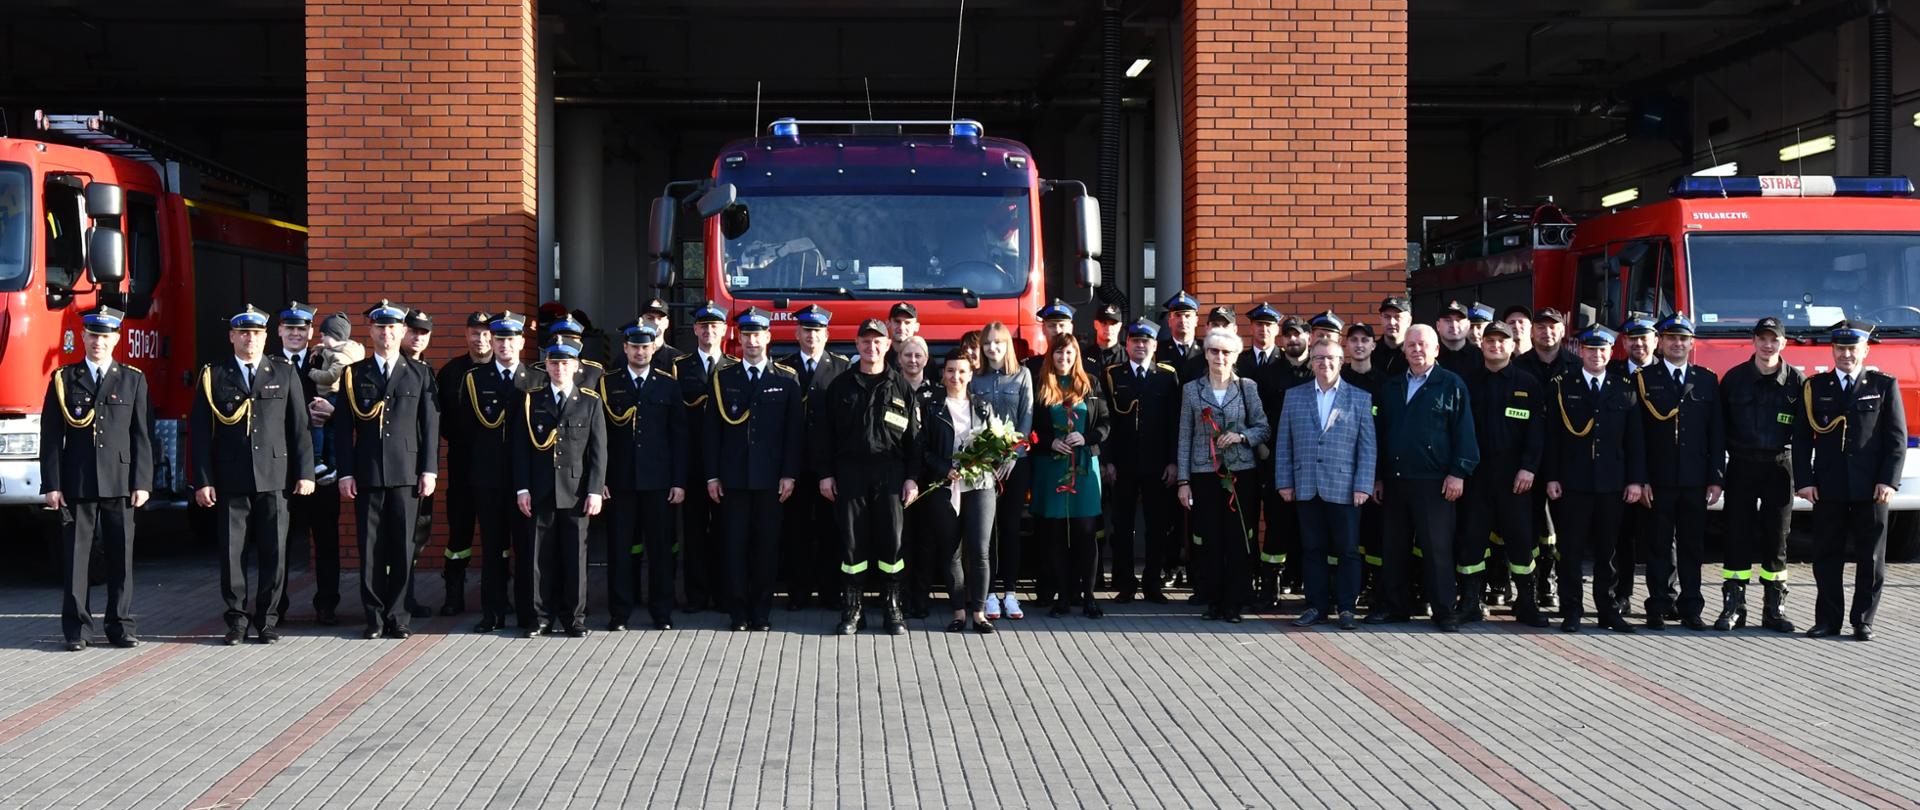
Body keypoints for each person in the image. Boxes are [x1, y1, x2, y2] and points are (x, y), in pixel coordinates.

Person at [192, 305, 316, 645]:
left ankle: (267, 620)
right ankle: (236, 620)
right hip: (230, 480)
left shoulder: (283, 371)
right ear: (232, 337)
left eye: (256, 333)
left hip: (275, 478)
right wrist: (203, 479)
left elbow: (299, 428)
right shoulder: (213, 374)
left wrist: (305, 472)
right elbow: (202, 433)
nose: (250, 339)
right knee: (232, 555)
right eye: (243, 333)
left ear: (265, 337)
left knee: (274, 553)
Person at [41, 306, 151, 651]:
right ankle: (77, 630)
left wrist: (142, 482)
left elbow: (142, 436)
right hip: (78, 481)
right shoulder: (63, 379)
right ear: (83, 338)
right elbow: (51, 437)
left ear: (116, 339)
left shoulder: (132, 379)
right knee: (76, 559)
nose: (98, 342)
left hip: (120, 481)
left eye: (105, 336)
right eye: (93, 336)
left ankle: (120, 627)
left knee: (121, 557)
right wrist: (52, 484)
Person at [336, 299, 440, 640]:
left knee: (402, 546)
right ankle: (375, 616)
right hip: (367, 474)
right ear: (371, 332)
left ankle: (399, 615)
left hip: (407, 473)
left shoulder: (420, 373)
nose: (387, 333)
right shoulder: (354, 374)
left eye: (393, 328)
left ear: (403, 332)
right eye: (380, 328)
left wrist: (429, 470)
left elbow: (430, 426)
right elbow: (342, 429)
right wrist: (346, 472)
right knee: (370, 549)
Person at [1796, 321, 1905, 642]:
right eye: (1840, 348)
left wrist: (1888, 481)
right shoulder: (1816, 386)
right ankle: (1828, 620)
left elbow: (1896, 440)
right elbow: (1801, 439)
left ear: (1864, 351)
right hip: (1828, 487)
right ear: (1832, 350)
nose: (1846, 354)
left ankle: (1862, 620)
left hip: (1871, 488)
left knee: (1870, 557)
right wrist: (1804, 480)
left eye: (1852, 349)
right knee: (1826, 555)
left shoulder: (1883, 385)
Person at [815, 318, 924, 636]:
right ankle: (853, 608)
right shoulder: (840, 386)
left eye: (878, 341)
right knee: (852, 545)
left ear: (888, 345)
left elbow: (915, 439)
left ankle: (893, 608)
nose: (871, 346)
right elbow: (825, 437)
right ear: (856, 344)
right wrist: (825, 475)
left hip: (891, 474)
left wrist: (912, 478)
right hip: (850, 474)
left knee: (892, 543)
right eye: (865, 340)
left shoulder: (901, 386)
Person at [1371, 324, 1478, 632]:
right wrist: (1378, 477)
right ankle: (1396, 607)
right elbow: (1380, 435)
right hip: (1395, 480)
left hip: (1435, 482)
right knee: (1394, 548)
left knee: (1437, 550)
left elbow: (1465, 433)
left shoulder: (1452, 384)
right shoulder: (1391, 387)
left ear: (1436, 350)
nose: (1417, 349)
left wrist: (1459, 472)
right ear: (1403, 350)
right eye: (1411, 345)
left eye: (1423, 345)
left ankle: (1444, 611)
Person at [704, 308, 804, 632]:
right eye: (746, 335)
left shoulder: (786, 379)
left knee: (766, 547)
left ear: (768, 338)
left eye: (757, 334)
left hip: (771, 481)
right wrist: (712, 475)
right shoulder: (723, 378)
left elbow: (794, 434)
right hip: (733, 479)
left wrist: (789, 474)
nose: (751, 341)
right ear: (740, 339)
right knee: (733, 547)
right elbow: (712, 430)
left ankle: (761, 611)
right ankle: (738, 612)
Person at [1543, 326, 1644, 633]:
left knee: (1608, 551)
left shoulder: (1624, 387)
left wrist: (1635, 481)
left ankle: (1608, 609)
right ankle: (1571, 610)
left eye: (1602, 350)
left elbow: (1634, 441)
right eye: (1590, 349)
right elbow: (1552, 438)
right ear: (1580, 351)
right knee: (1571, 551)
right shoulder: (1562, 386)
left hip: (1612, 484)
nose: (1596, 354)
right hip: (1574, 483)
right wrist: (1551, 477)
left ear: (1611, 352)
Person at [1273, 337, 1375, 630]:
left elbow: (1367, 447)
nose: (1325, 363)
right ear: (1311, 362)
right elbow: (1284, 444)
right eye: (1318, 358)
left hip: (1345, 488)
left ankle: (1346, 608)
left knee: (1348, 551)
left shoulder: (1359, 398)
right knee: (1312, 549)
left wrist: (1363, 485)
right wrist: (1285, 481)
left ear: (1341, 362)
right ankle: (1316, 606)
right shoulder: (1294, 396)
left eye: (1330, 358)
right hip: (1306, 485)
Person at [1632, 315, 1724, 631]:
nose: (1677, 343)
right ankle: (1657, 606)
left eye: (1683, 339)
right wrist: (1641, 477)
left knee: (1692, 547)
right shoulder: (1644, 378)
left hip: (1695, 479)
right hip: (1658, 480)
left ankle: (1691, 608)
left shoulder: (1707, 380)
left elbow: (1716, 434)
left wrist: (1716, 477)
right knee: (1658, 545)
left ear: (1691, 343)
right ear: (1661, 341)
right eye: (1671, 338)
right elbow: (1637, 435)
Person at [511, 337, 607, 637]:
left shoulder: (590, 401)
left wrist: (595, 490)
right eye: (554, 363)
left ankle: (574, 618)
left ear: (576, 367)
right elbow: (521, 449)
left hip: (576, 492)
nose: (559, 368)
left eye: (565, 363)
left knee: (575, 558)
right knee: (540, 558)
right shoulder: (531, 399)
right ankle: (541, 617)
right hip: (540, 491)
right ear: (547, 366)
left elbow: (598, 450)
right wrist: (522, 488)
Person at [1456, 322, 1550, 628]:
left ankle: (1527, 603)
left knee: (1521, 542)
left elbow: (1537, 432)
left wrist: (1529, 467)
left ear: (1512, 346)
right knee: (1472, 541)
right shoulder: (1467, 382)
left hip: (1516, 480)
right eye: (1490, 340)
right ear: (1481, 345)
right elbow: (1457, 430)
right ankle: (1471, 601)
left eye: (1502, 341)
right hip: (1476, 478)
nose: (1496, 345)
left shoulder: (1529, 383)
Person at [1715, 316, 1803, 632]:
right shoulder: (1734, 379)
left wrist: (1805, 479)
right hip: (1741, 465)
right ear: (1753, 342)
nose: (1768, 345)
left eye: (1774, 339)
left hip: (1780, 467)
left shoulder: (1797, 381)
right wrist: (1716, 473)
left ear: (1784, 342)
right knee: (1737, 535)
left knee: (1776, 538)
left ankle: (1774, 608)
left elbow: (1805, 436)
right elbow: (1718, 431)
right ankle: (1733, 606)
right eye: (1762, 339)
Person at [1175, 329, 1269, 623]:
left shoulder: (1247, 387)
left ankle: (1235, 602)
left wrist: (1241, 436)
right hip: (1204, 473)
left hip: (1241, 473)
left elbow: (1263, 428)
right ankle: (1213, 600)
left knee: (1238, 538)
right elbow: (1184, 437)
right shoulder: (1192, 389)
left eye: (1226, 352)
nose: (1219, 357)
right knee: (1210, 539)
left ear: (1235, 355)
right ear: (1205, 354)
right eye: (1214, 351)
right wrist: (1183, 481)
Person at [458, 312, 542, 633]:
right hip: (489, 479)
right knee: (492, 550)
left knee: (527, 550)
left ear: (521, 342)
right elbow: (466, 432)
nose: (505, 345)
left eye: (511, 339)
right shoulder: (475, 379)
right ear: (491, 342)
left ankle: (528, 615)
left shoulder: (536, 380)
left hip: (526, 482)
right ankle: (491, 613)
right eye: (499, 339)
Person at [600, 322, 686, 631]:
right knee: (620, 549)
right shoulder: (607, 384)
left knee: (660, 549)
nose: (639, 351)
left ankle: (661, 612)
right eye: (634, 346)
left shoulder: (668, 385)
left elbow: (678, 437)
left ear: (653, 349)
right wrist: (601, 480)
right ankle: (619, 613)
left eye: (645, 347)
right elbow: (601, 438)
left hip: (658, 482)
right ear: (625, 348)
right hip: (620, 482)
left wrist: (678, 481)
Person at [273, 302, 346, 626]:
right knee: (279, 543)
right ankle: (277, 607)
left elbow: (352, 403)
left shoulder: (326, 361)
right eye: (289, 328)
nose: (295, 333)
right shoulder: (270, 366)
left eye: (301, 329)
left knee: (327, 541)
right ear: (279, 332)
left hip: (322, 473)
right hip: (283, 469)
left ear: (310, 333)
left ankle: (327, 605)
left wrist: (335, 415)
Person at [1030, 333, 1111, 618]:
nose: (1063, 359)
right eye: (1058, 353)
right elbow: (1031, 428)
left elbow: (1105, 423)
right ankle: (1062, 596)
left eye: (1069, 353)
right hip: (1051, 469)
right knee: (1054, 535)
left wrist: (1087, 437)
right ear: (1050, 356)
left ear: (1076, 355)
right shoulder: (1040, 386)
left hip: (1084, 468)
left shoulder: (1090, 383)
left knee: (1086, 533)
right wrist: (1048, 440)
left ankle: (1087, 596)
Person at [1102, 319, 1181, 604]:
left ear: (1154, 345)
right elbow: (1106, 420)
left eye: (1145, 341)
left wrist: (1173, 462)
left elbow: (1175, 424)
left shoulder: (1166, 376)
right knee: (1122, 526)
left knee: (1156, 526)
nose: (1140, 345)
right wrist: (1107, 460)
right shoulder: (1112, 374)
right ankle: (1125, 583)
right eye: (1135, 340)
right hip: (1122, 465)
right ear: (1127, 344)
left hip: (1157, 465)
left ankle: (1152, 582)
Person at [922, 348, 1000, 633]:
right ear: (943, 375)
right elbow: (924, 450)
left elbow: (996, 445)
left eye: (962, 371)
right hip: (945, 486)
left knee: (979, 550)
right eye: (951, 371)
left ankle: (979, 612)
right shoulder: (931, 407)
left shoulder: (983, 407)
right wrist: (945, 469)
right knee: (951, 551)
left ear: (970, 375)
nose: (956, 376)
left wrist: (990, 457)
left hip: (979, 485)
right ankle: (958, 612)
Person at [780, 303, 850, 611]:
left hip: (828, 466)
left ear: (827, 334)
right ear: (797, 333)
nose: (812, 336)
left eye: (818, 331)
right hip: (793, 464)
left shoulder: (841, 368)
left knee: (829, 531)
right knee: (796, 532)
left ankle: (830, 593)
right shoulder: (782, 366)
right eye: (807, 330)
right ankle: (798, 594)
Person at [1513, 306, 1578, 610]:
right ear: (1531, 331)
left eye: (1553, 326)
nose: (1546, 331)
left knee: (1563, 531)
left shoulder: (1576, 366)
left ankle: (1555, 586)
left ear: (1562, 330)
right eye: (1540, 326)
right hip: (1526, 461)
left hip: (1565, 461)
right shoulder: (1518, 367)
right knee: (1527, 527)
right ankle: (1531, 588)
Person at [672, 301, 733, 613]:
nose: (709, 331)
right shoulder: (679, 368)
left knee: (725, 533)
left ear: (724, 330)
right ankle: (696, 596)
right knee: (693, 534)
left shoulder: (735, 368)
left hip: (726, 465)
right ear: (695, 329)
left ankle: (724, 595)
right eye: (703, 325)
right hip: (693, 465)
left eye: (715, 326)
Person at [433, 310, 495, 616]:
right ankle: (453, 593)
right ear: (466, 335)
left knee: (499, 534)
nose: (480, 339)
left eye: (486, 333)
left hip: (498, 469)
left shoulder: (504, 370)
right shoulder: (451, 372)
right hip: (462, 466)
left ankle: (500, 596)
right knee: (459, 533)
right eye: (475, 333)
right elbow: (439, 420)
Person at [971, 321, 1033, 620]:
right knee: (987, 533)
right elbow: (972, 424)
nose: (992, 348)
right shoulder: (975, 379)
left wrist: (1012, 456)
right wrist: (983, 457)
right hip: (984, 467)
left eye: (997, 342)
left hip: (1014, 466)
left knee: (1010, 528)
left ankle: (1011, 592)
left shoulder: (1022, 375)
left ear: (1007, 344)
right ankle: (990, 593)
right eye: (987, 343)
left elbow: (1026, 419)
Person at [1609, 316, 1663, 617]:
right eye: (1632, 338)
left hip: (1661, 472)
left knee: (1662, 538)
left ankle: (1664, 597)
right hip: (1622, 471)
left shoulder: (1665, 374)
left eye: (1644, 338)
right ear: (1624, 342)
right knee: (1621, 537)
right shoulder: (1613, 373)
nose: (1638, 344)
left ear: (1655, 340)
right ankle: (1621, 594)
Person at [895, 335, 939, 618]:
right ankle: (899, 596)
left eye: (918, 355)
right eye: (908, 355)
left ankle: (921, 597)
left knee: (924, 539)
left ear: (926, 359)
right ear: (899, 358)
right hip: (897, 473)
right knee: (899, 539)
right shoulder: (891, 389)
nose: (913, 360)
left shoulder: (937, 394)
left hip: (927, 476)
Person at [399, 309, 439, 620]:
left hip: (418, 470)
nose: (417, 337)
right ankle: (397, 600)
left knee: (416, 536)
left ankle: (406, 597)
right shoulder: (396, 368)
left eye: (423, 333)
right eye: (413, 331)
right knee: (396, 539)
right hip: (396, 468)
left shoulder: (426, 370)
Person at [1156, 291, 1205, 382]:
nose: (1183, 320)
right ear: (1169, 321)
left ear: (1196, 320)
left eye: (1187, 315)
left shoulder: (1206, 350)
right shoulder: (1157, 350)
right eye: (1178, 315)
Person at [1434, 300, 1480, 377]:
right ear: (1438, 326)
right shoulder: (1429, 356)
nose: (1454, 325)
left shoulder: (1481, 357)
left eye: (1459, 320)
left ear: (1468, 325)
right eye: (1448, 320)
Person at [1371, 296, 1411, 380]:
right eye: (1387, 317)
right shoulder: (1370, 352)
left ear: (1408, 321)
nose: (1392, 322)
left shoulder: (1415, 353)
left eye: (1397, 317)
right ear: (1381, 319)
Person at [883, 302, 920, 369]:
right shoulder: (879, 356)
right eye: (897, 321)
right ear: (887, 323)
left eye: (907, 322)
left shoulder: (924, 360)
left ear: (916, 327)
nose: (901, 327)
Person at [1092, 303, 1126, 369]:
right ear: (1096, 324)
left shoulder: (1128, 357)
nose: (1109, 328)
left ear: (1120, 326)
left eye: (1113, 324)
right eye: (1104, 323)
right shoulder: (1083, 356)